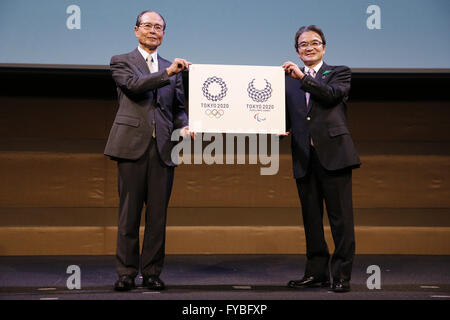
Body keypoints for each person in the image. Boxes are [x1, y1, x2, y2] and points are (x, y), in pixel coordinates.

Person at [104, 10, 192, 291]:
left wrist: (186, 126)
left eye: (159, 27)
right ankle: (126, 273)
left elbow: (178, 108)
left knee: (157, 216)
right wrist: (167, 73)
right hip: (132, 146)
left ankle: (152, 272)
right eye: (148, 26)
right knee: (129, 214)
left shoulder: (171, 67)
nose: (154, 31)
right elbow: (133, 87)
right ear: (136, 30)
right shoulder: (122, 61)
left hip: (164, 148)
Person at [282, 25, 361, 293]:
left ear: (324, 48)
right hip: (305, 157)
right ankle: (316, 273)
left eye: (314, 43)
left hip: (335, 155)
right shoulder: (287, 81)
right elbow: (284, 115)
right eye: (303, 44)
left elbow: (330, 95)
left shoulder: (338, 73)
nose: (309, 47)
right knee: (311, 220)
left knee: (341, 220)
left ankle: (341, 276)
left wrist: (302, 77)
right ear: (297, 50)